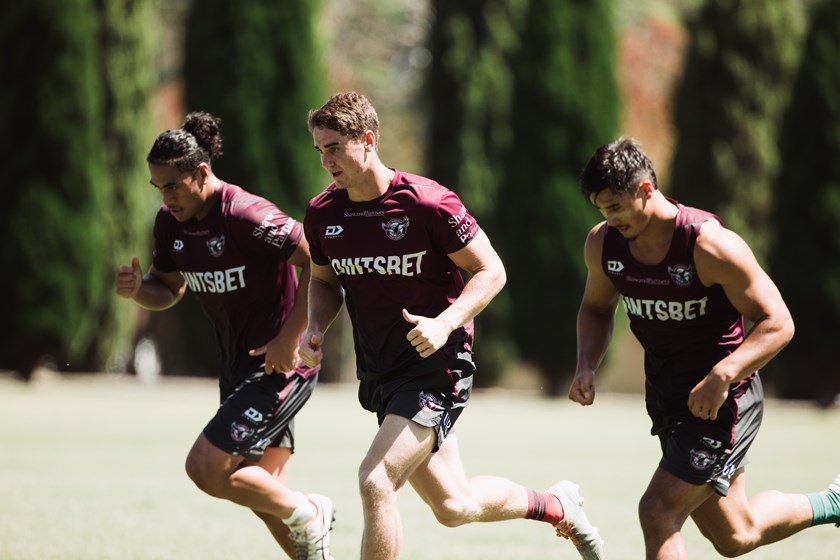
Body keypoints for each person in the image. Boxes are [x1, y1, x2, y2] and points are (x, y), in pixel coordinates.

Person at [299, 91, 605, 560]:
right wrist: (314, 327)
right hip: (383, 370)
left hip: (436, 366)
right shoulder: (324, 213)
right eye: (319, 149)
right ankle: (556, 504)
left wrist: (445, 323)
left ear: (367, 140)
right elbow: (323, 280)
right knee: (453, 504)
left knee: (376, 480)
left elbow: (492, 271)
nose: (326, 160)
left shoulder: (427, 202)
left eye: (335, 147)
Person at [569, 136, 840, 559]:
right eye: (601, 209)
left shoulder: (710, 246)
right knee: (736, 535)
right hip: (669, 397)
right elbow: (596, 308)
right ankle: (835, 503)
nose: (609, 218)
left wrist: (723, 374)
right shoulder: (603, 244)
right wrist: (587, 364)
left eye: (616, 207)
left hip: (722, 401)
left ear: (645, 189)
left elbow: (779, 323)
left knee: (658, 512)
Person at [115, 112, 335, 560]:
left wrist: (290, 337)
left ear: (201, 172)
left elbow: (318, 262)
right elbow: (169, 289)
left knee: (207, 469)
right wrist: (141, 291)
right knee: (260, 489)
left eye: (173, 185)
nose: (166, 197)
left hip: (281, 365)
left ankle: (311, 508)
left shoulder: (245, 214)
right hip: (238, 367)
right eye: (157, 187)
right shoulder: (169, 223)